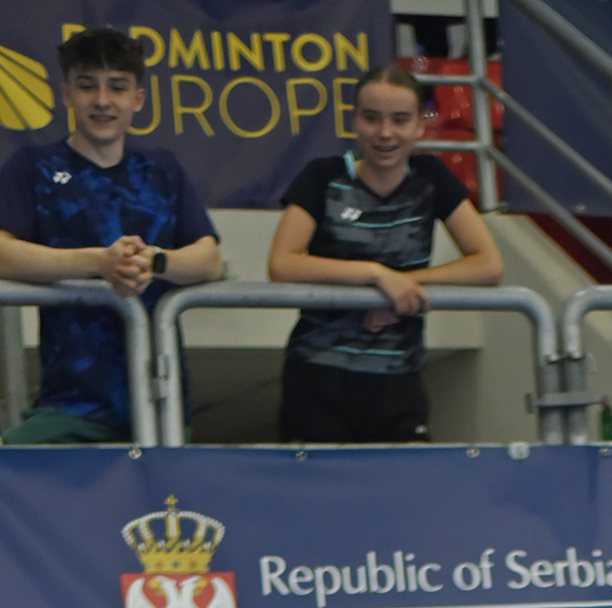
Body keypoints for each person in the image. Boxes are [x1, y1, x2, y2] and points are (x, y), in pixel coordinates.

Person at [0, 27, 219, 445]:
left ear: (137, 99)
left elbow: (208, 258)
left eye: (117, 87)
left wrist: (155, 261)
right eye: (88, 86)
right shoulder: (33, 165)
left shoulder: (163, 169)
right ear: (67, 94)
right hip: (69, 404)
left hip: (162, 404)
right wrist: (98, 263)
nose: (102, 100)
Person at [267, 64, 502, 445]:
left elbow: (488, 264)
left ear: (420, 125)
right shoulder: (322, 175)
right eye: (372, 118)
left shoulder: (430, 177)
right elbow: (282, 263)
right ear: (354, 120)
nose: (385, 132)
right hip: (317, 374)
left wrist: (405, 284)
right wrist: (375, 274)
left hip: (399, 377)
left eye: (400, 119)